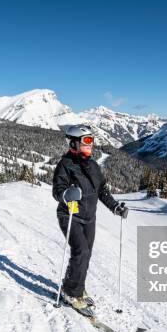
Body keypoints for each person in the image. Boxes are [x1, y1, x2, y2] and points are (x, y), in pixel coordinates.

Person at [52, 125, 128, 316]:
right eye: (86, 141)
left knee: (86, 254)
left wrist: (114, 207)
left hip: (89, 217)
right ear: (74, 143)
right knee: (81, 251)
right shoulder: (65, 164)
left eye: (91, 141)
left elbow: (101, 190)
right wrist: (67, 194)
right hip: (69, 216)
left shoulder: (93, 166)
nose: (90, 145)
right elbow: (57, 191)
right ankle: (70, 293)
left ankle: (77, 287)